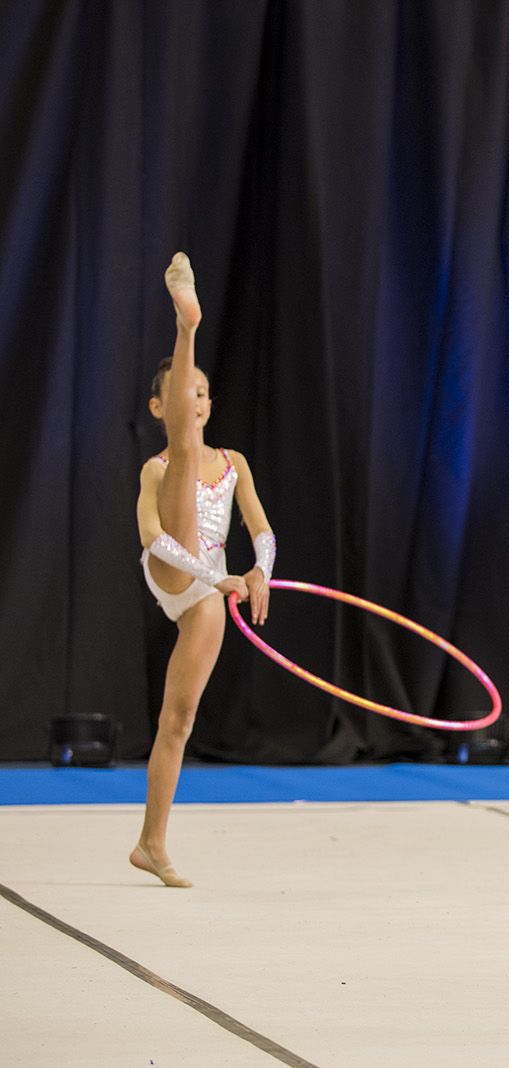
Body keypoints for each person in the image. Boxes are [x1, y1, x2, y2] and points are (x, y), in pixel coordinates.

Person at [132, 253, 276, 888]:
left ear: (209, 403)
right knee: (186, 460)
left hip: (209, 590)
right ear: (157, 407)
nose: (192, 403)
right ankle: (187, 324)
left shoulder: (236, 461)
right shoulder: (157, 469)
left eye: (201, 394)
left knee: (178, 720)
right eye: (180, 395)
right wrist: (212, 576)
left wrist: (259, 573)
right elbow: (155, 541)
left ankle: (150, 844)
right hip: (173, 567)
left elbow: (263, 530)